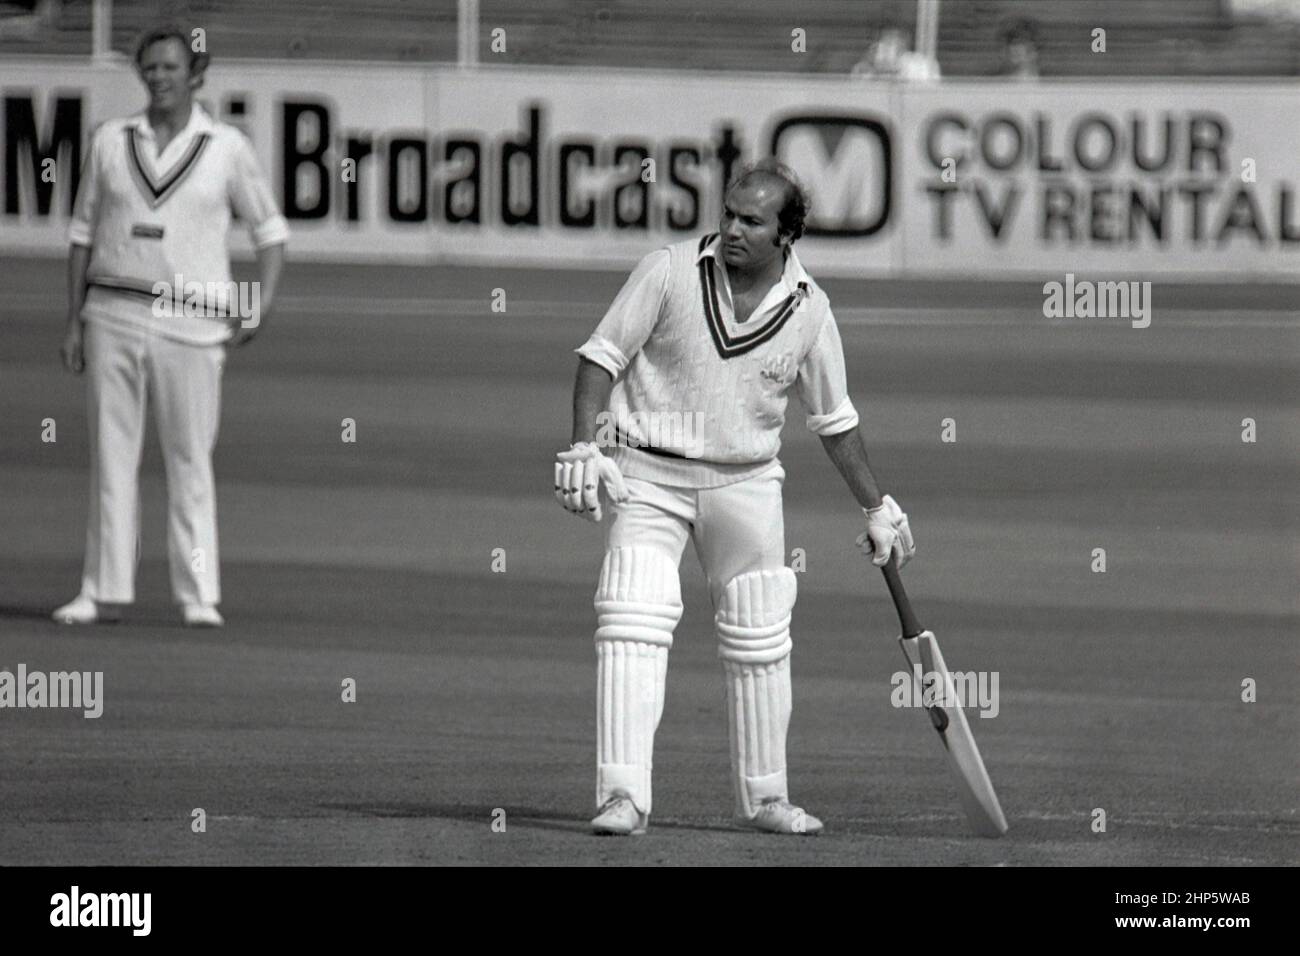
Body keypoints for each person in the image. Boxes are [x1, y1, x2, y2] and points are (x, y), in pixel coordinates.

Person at [555, 159, 915, 836]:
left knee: (759, 636)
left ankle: (767, 799)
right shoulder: (668, 269)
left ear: (788, 233)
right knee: (632, 622)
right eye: (727, 215)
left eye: (751, 221)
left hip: (745, 482)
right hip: (648, 473)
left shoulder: (811, 309)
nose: (731, 231)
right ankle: (622, 797)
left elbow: (834, 419)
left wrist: (876, 507)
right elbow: (600, 357)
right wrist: (586, 446)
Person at [53, 23, 288, 628]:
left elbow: (270, 235)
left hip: (193, 326)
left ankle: (197, 593)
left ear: (196, 76)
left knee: (189, 462)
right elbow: (81, 235)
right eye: (150, 68)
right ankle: (99, 590)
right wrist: (74, 321)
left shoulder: (226, 147)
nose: (158, 78)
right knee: (111, 458)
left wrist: (252, 305)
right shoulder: (111, 139)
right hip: (111, 313)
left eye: (170, 68)